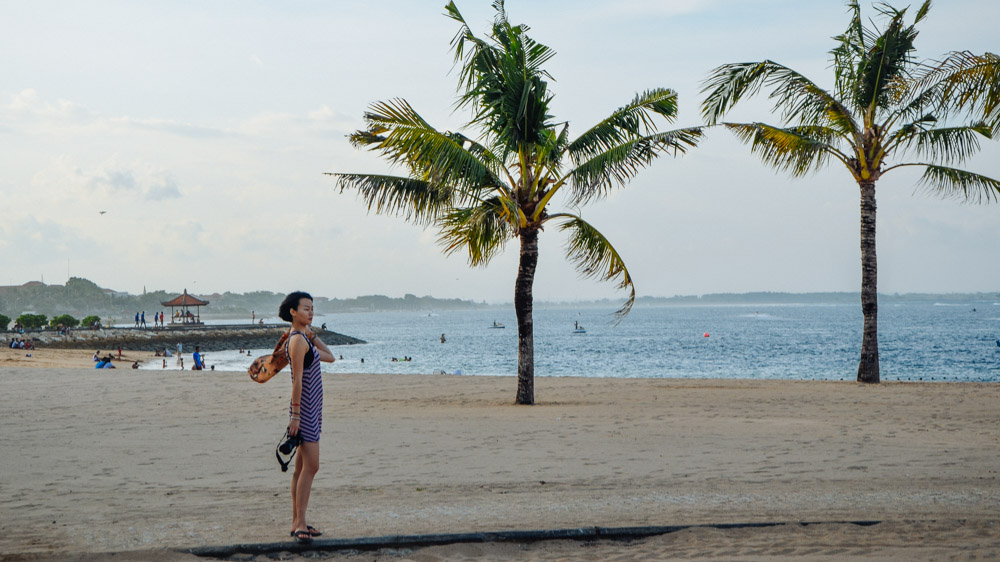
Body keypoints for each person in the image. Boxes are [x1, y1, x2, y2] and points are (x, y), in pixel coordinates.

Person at [279, 291, 335, 543]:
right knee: (311, 467)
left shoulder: (303, 338)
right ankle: (299, 521)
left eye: (312, 308)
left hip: (311, 411)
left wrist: (313, 334)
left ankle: (297, 521)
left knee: (301, 469)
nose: (310, 312)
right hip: (305, 412)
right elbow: (297, 381)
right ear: (293, 312)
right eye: (305, 308)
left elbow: (330, 356)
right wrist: (296, 417)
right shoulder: (297, 341)